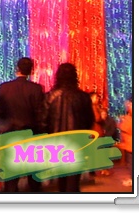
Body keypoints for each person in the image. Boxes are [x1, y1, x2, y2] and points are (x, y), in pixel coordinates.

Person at [41, 63, 95, 192]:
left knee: (62, 179)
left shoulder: (50, 96)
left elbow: (43, 122)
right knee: (73, 180)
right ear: (75, 76)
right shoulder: (83, 97)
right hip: (77, 143)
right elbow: (89, 120)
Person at [0, 57, 45, 192]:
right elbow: (40, 114)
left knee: (11, 175)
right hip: (30, 133)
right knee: (33, 173)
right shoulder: (36, 89)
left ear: (17, 69)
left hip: (10, 134)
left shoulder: (4, 88)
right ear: (31, 70)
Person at [118, 99, 132, 187]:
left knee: (131, 162)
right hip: (128, 143)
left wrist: (122, 122)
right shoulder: (129, 116)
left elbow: (126, 128)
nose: (127, 106)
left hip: (130, 143)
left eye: (129, 104)